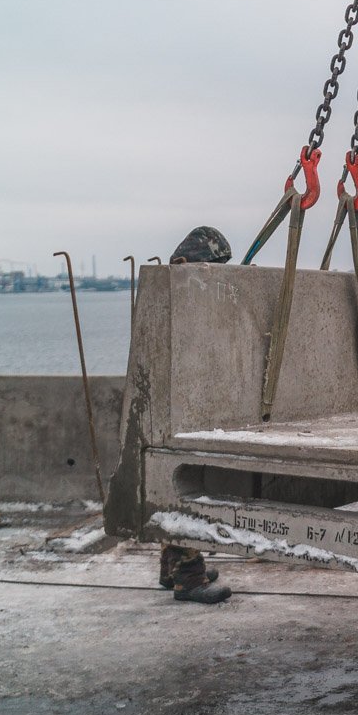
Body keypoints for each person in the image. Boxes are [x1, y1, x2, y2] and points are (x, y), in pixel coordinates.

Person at [159, 226, 235, 604]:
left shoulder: (175, 287)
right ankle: (188, 578)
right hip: (177, 407)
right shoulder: (182, 292)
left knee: (175, 488)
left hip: (172, 402)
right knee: (184, 493)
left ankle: (170, 569)